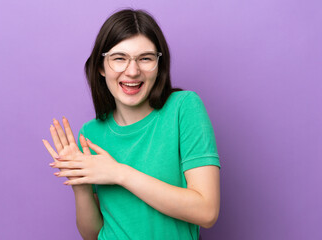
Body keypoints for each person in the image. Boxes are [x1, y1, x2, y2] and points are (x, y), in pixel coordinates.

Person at [43, 9, 220, 240]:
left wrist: (119, 173)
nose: (133, 71)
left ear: (159, 65)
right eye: (119, 58)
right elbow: (93, 235)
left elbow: (206, 211)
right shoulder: (90, 134)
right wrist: (81, 186)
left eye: (145, 58)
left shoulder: (183, 108)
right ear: (101, 67)